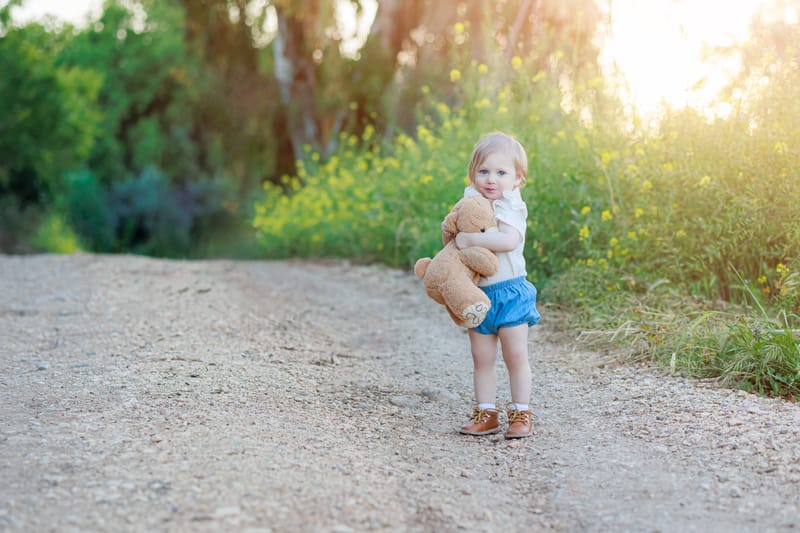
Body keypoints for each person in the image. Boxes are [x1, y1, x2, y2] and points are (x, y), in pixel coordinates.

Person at [442, 131, 540, 439]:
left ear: (517, 178)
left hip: (510, 292)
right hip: (480, 295)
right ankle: (486, 412)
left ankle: (521, 412)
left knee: (515, 355)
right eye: (483, 171)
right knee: (481, 358)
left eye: (501, 173)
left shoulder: (512, 206)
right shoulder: (470, 204)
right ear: (473, 175)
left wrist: (471, 240)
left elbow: (508, 240)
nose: (491, 180)